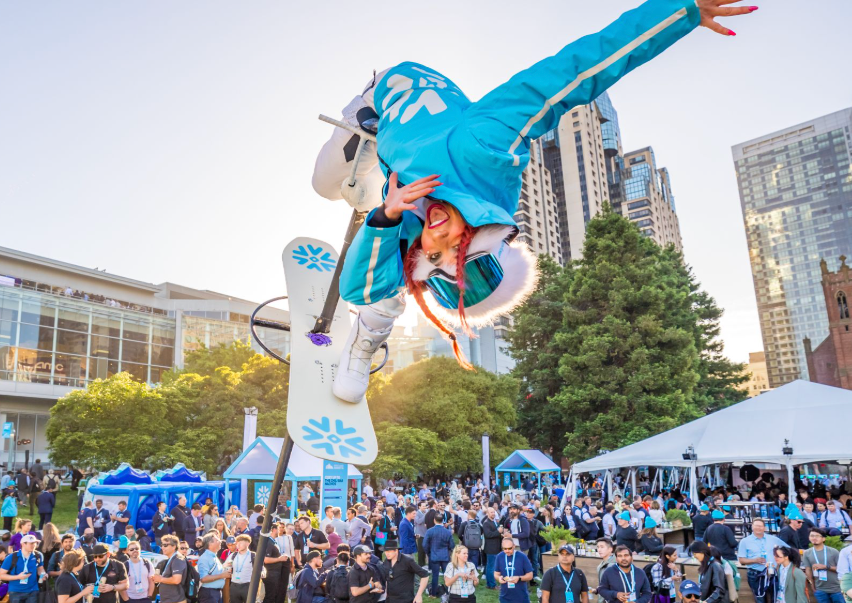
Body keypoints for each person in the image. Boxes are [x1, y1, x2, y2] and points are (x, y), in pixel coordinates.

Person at [313, 0, 758, 404]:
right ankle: (365, 148)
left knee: (393, 280)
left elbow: (358, 288)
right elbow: (575, 70)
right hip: (386, 95)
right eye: (458, 247)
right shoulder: (486, 144)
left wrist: (387, 216)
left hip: (397, 173)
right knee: (325, 187)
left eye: (435, 255)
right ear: (484, 236)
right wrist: (678, 14)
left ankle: (363, 343)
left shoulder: (417, 228)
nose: (439, 235)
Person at [737, 518, 786, 599]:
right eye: (756, 526)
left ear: (764, 528)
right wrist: (754, 560)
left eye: (760, 526)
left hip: (772, 573)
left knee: (775, 597)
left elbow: (787, 549)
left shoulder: (773, 539)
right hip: (755, 574)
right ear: (752, 527)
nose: (758, 528)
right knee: (759, 598)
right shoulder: (744, 541)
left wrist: (780, 562)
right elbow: (741, 560)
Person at [0, 533, 46, 603]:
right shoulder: (11, 557)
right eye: (31, 543)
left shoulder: (38, 555)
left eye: (35, 543)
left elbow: (40, 569)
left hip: (33, 591)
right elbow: (1, 575)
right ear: (23, 544)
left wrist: (44, 574)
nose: (34, 545)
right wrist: (18, 577)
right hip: (16, 591)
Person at [801, 528, 843, 603]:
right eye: (812, 536)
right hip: (820, 589)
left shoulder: (833, 551)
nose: (814, 538)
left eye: (817, 536)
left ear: (823, 539)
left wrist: (826, 567)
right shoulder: (807, 553)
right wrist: (812, 585)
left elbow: (841, 569)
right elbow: (808, 569)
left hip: (836, 589)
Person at [381, 539, 429, 603]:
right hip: (390, 599)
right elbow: (387, 578)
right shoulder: (386, 561)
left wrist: (419, 595)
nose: (386, 553)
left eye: (389, 551)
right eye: (385, 551)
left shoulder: (407, 561)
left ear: (396, 550)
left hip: (405, 599)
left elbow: (425, 575)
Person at [423, 513, 454, 596]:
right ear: (443, 521)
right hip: (445, 556)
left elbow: (425, 545)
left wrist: (429, 553)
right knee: (447, 575)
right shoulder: (447, 532)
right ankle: (449, 592)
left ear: (434, 520)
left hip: (434, 556)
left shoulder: (430, 531)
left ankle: (433, 594)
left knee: (435, 575)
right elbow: (452, 545)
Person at [495, 537, 534, 603]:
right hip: (504, 597)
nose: (507, 551)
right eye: (505, 549)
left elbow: (530, 575)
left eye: (509, 548)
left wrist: (519, 578)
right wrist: (499, 578)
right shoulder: (499, 556)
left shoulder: (522, 556)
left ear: (514, 546)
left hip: (521, 597)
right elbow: (496, 573)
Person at [151, 535, 187, 603]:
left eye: (165, 545)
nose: (162, 547)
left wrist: (161, 579)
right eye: (162, 545)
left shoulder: (177, 559)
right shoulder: (172, 559)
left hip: (175, 600)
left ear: (174, 546)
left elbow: (176, 580)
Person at [196, 534, 230, 603]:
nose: (220, 541)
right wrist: (222, 575)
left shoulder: (213, 556)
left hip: (215, 593)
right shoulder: (205, 558)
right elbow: (203, 578)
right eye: (217, 540)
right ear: (210, 544)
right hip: (209, 594)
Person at [263, 523, 292, 603]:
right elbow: (265, 559)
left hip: (275, 574)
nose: (281, 531)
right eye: (279, 529)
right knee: (270, 596)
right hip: (270, 574)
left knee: (274, 596)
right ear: (274, 530)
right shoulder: (268, 542)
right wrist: (279, 559)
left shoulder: (273, 541)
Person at [226, 534, 256, 603]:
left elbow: (262, 569)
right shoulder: (233, 555)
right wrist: (227, 568)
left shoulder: (253, 555)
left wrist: (263, 573)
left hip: (248, 586)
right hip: (234, 586)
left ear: (248, 543)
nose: (238, 546)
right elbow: (224, 567)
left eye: (240, 543)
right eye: (237, 544)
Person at [593, 539, 617, 603]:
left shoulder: (614, 565)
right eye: (598, 547)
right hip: (603, 598)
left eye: (602, 547)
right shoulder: (601, 564)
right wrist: (597, 590)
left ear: (610, 549)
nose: (599, 550)